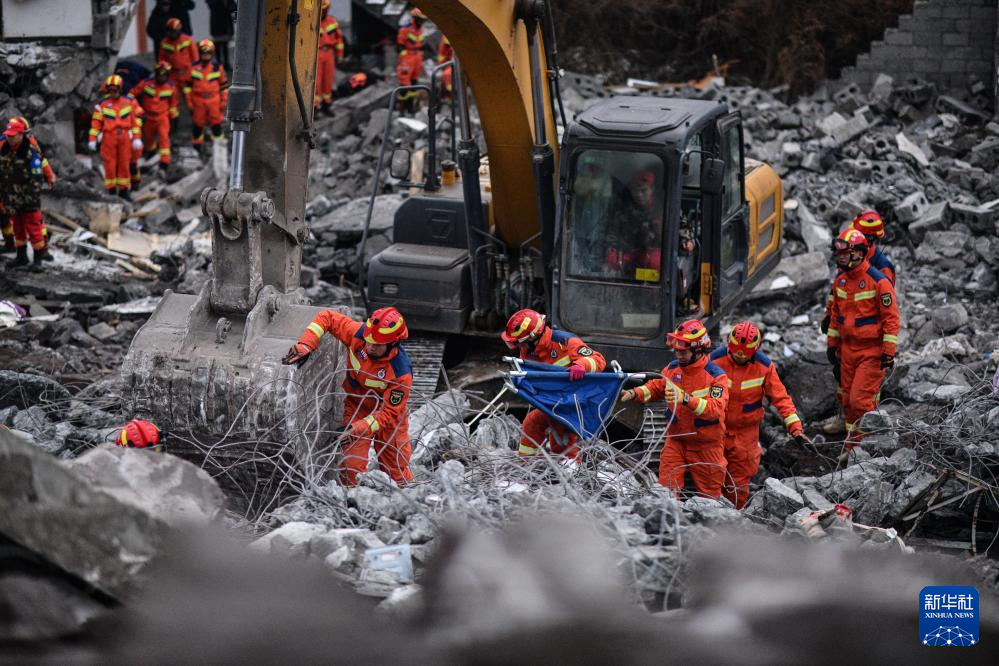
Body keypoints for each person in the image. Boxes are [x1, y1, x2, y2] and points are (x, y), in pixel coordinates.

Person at [282, 307, 415, 487]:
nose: (369, 346)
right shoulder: (358, 334)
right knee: (351, 469)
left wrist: (356, 429)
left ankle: (408, 500)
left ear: (393, 344)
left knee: (396, 470)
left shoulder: (400, 372)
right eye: (368, 341)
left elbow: (389, 414)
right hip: (357, 407)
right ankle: (353, 503)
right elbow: (327, 317)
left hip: (389, 420)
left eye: (376, 345)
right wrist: (307, 343)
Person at [620, 319, 728, 498]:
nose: (678, 355)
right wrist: (634, 393)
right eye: (676, 350)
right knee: (666, 492)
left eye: (683, 351)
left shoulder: (716, 377)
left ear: (699, 349)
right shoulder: (672, 369)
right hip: (676, 441)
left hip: (706, 446)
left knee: (711, 498)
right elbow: (657, 386)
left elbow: (715, 409)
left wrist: (685, 398)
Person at [709, 321, 808, 508]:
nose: (739, 358)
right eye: (736, 354)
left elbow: (781, 399)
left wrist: (796, 429)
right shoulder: (714, 361)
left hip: (745, 434)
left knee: (738, 482)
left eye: (743, 356)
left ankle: (734, 518)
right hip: (715, 428)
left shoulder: (764, 367)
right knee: (711, 476)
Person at [826, 228, 900, 448]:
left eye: (845, 252)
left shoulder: (879, 282)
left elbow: (891, 320)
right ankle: (853, 447)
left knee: (860, 401)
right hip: (848, 351)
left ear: (858, 253)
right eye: (838, 253)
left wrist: (888, 352)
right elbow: (835, 316)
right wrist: (832, 346)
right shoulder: (840, 281)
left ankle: (868, 447)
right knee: (848, 401)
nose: (839, 257)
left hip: (872, 352)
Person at [502, 308, 606, 462]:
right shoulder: (528, 350)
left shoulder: (565, 341)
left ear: (533, 338)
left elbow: (598, 360)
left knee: (559, 441)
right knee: (533, 424)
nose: (519, 348)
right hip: (553, 401)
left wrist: (582, 365)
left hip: (573, 401)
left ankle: (571, 474)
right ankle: (525, 466)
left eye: (521, 344)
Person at [821, 210, 897, 335]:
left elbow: (887, 309)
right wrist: (828, 315)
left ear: (869, 238)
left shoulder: (883, 267)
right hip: (846, 330)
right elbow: (836, 290)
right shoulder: (847, 259)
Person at [0, 118, 50, 267]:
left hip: (29, 200)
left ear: (21, 135)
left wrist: (28, 199)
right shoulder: (5, 151)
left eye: (13, 135)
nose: (10, 138)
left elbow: (36, 180)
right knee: (18, 230)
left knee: (34, 231)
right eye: (8, 135)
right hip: (12, 199)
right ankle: (21, 257)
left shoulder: (31, 153)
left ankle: (38, 261)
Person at [89, 75, 142, 199]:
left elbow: (134, 123)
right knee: (110, 165)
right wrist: (92, 140)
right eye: (111, 90)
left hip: (124, 137)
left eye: (115, 90)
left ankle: (124, 190)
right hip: (109, 138)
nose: (113, 93)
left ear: (120, 89)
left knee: (124, 163)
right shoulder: (102, 105)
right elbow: (96, 124)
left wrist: (137, 138)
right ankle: (111, 191)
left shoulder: (128, 103)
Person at [604, 169, 662, 280]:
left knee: (656, 263)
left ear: (652, 189)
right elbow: (611, 234)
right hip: (627, 253)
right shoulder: (621, 208)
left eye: (643, 190)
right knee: (611, 259)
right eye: (636, 190)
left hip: (651, 254)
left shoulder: (663, 208)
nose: (639, 195)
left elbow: (681, 230)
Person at [129, 61, 180, 172]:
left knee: (164, 138)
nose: (161, 77)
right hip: (147, 117)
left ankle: (164, 163)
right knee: (149, 140)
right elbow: (131, 94)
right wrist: (137, 109)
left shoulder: (171, 87)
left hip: (162, 117)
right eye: (160, 75)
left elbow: (173, 104)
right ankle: (151, 155)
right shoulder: (147, 83)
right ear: (156, 74)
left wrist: (174, 118)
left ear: (167, 75)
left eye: (164, 75)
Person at [187, 40, 229, 154]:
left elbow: (224, 86)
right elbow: (187, 87)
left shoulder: (217, 67)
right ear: (199, 53)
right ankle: (197, 151)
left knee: (216, 125)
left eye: (208, 53)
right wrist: (189, 102)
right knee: (197, 126)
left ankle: (219, 151)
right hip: (198, 100)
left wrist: (224, 101)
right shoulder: (193, 67)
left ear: (212, 54)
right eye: (203, 53)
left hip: (214, 100)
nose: (205, 55)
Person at [158, 18, 199, 112]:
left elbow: (195, 58)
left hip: (186, 73)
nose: (172, 34)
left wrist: (194, 73)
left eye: (174, 31)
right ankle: (174, 122)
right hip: (172, 75)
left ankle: (197, 121)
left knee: (190, 99)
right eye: (170, 31)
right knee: (173, 99)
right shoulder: (164, 42)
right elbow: (161, 60)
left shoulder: (187, 40)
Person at [315, 0, 345, 117]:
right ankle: (315, 108)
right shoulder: (312, 23)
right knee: (316, 82)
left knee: (328, 80)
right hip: (317, 54)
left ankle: (327, 105)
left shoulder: (332, 22)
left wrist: (340, 55)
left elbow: (339, 40)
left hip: (329, 54)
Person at [396, 8, 428, 113]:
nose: (422, 22)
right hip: (407, 56)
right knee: (404, 82)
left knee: (414, 81)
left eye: (423, 20)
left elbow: (420, 43)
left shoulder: (421, 30)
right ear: (415, 18)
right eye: (420, 20)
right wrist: (403, 56)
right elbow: (400, 45)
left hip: (417, 57)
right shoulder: (405, 29)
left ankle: (410, 108)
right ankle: (402, 109)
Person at [206, 0, 237, 69]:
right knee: (218, 46)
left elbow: (233, 7)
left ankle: (225, 64)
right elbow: (212, 5)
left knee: (225, 45)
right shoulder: (214, 3)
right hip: (217, 24)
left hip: (225, 25)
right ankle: (219, 64)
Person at [437, 36, 453, 102]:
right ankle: (448, 97)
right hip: (448, 63)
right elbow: (443, 52)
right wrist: (441, 66)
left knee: (446, 75)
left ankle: (449, 96)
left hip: (451, 63)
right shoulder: (447, 37)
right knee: (446, 75)